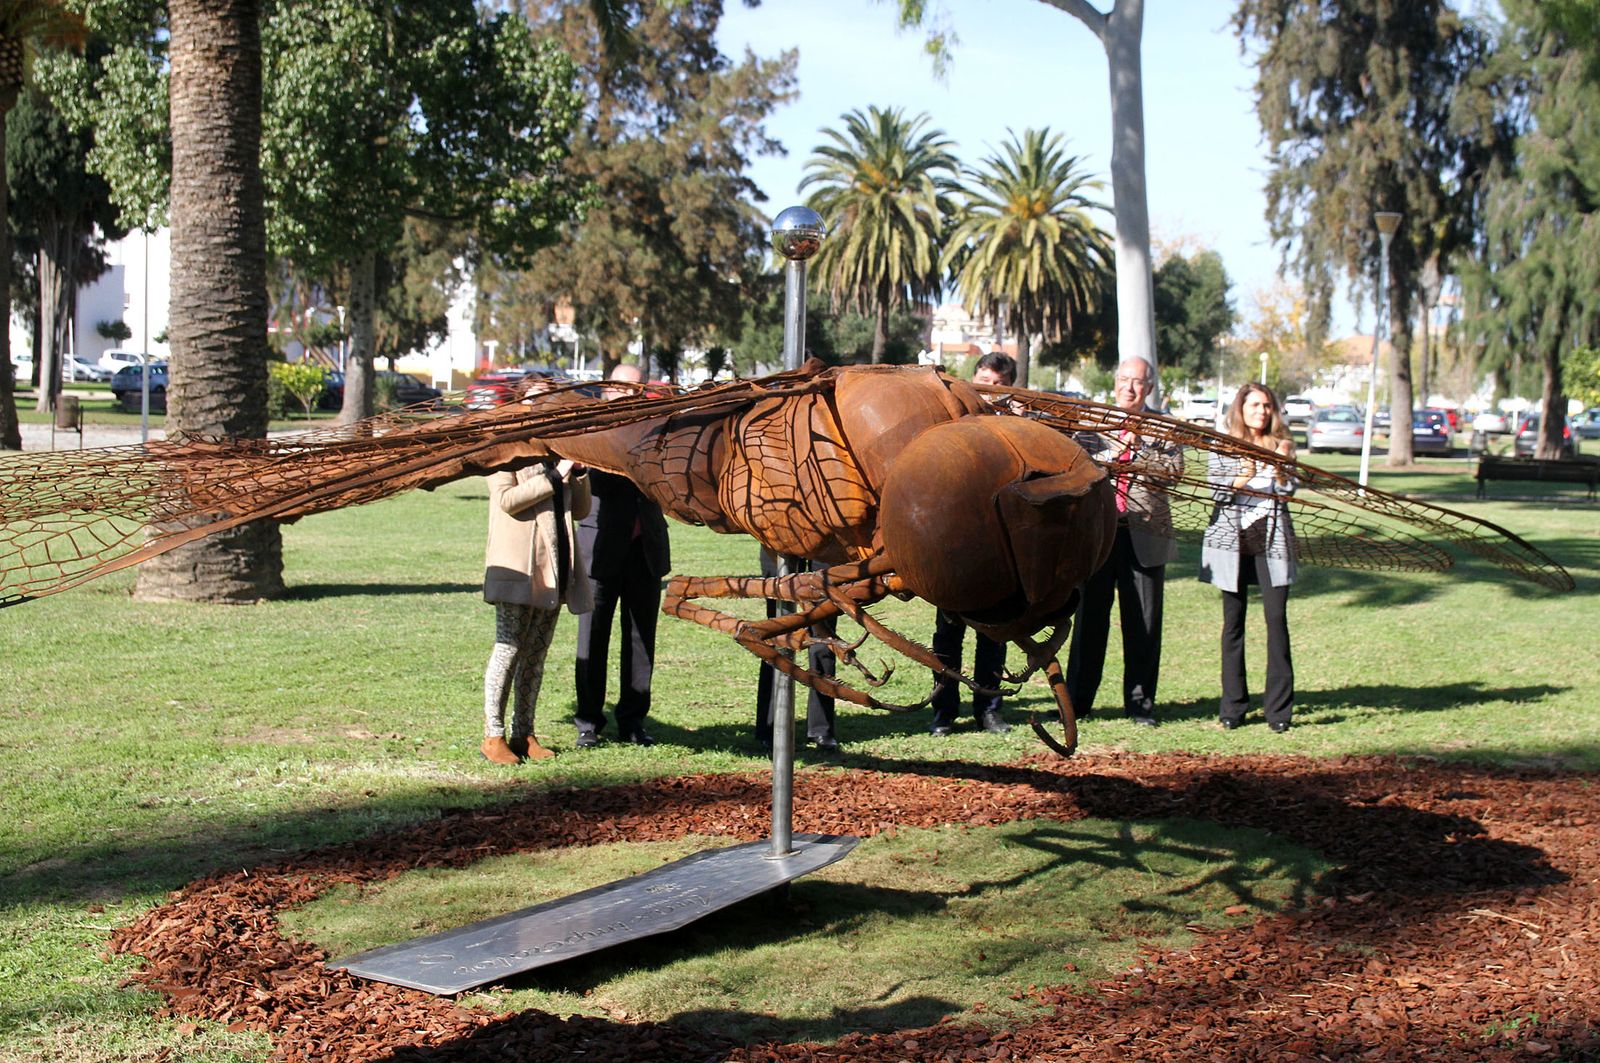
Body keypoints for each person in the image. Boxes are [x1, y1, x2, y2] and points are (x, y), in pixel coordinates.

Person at [1065, 357, 1182, 728]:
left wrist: (1140, 446)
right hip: (1100, 535)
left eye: (1138, 382)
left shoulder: (1164, 427)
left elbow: (1173, 472)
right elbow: (1075, 465)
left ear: (1149, 388)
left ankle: (1140, 705)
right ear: (1114, 382)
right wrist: (1110, 453)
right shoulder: (1092, 422)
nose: (1129, 388)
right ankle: (1078, 703)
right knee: (1089, 622)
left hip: (1144, 536)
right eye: (1124, 380)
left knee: (1142, 624)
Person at [573, 364, 672, 747]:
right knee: (593, 639)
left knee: (640, 640)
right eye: (620, 388)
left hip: (645, 545)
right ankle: (588, 723)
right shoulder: (590, 429)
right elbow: (589, 480)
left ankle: (633, 722)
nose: (628, 395)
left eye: (635, 389)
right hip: (601, 547)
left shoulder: (654, 427)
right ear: (606, 391)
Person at [928, 350, 1019, 736]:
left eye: (998, 383)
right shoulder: (953, 419)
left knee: (994, 631)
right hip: (958, 540)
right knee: (948, 631)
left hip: (1001, 543)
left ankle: (989, 709)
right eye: (984, 377)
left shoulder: (1019, 425)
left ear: (1009, 388)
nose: (989, 387)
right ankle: (943, 712)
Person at [480, 453, 592, 764]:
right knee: (508, 651)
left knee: (535, 655)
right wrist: (556, 476)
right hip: (518, 569)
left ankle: (524, 733)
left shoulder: (556, 454)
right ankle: (493, 736)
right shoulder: (505, 454)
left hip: (554, 569)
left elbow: (582, 510)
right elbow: (507, 499)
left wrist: (579, 474)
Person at [1200, 382, 1298, 733]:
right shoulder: (1222, 445)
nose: (1261, 411)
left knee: (1276, 622)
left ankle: (1279, 712)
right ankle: (1233, 707)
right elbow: (1215, 492)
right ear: (1240, 409)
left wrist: (1283, 468)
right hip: (1232, 542)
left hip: (1272, 542)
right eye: (1254, 404)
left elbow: (1288, 492)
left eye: (1267, 405)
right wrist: (1246, 474)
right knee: (1233, 625)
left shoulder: (1283, 445)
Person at [754, 548, 841, 753]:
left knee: (824, 641)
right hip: (778, 542)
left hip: (824, 545)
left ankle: (822, 728)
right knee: (776, 638)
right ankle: (769, 725)